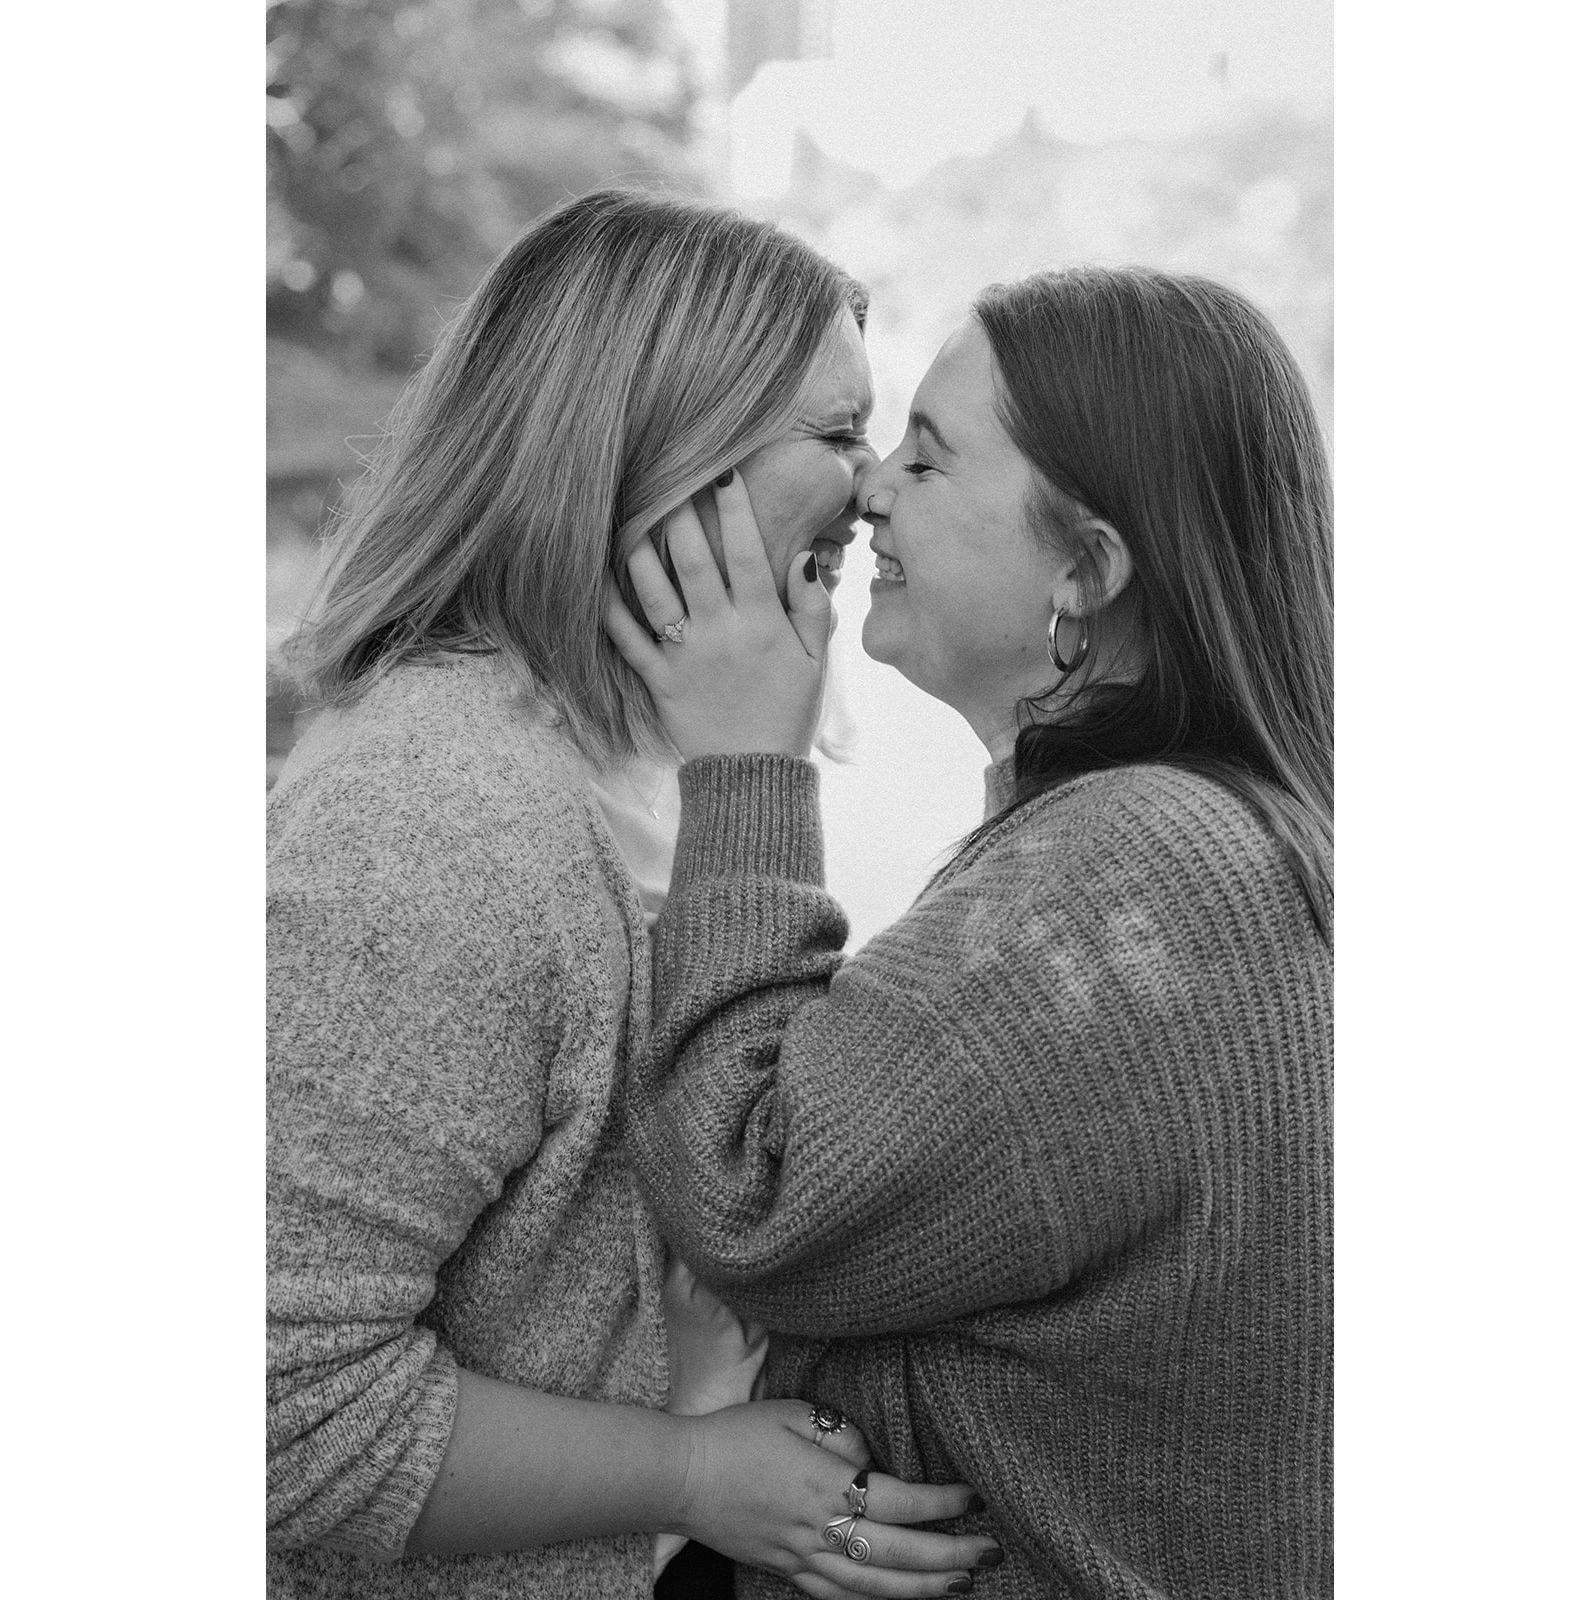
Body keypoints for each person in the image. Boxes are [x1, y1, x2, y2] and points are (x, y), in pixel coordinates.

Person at [268, 187, 1003, 1600]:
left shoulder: (639, 775)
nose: (872, 488)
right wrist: (695, 1475)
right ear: (660, 452)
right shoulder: (438, 816)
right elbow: (277, 1407)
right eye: (836, 434)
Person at [609, 266, 1334, 1598]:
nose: (870, 490)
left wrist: (745, 768)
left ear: (1086, 569)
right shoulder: (1200, 843)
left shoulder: (1136, 873)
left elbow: (750, 1193)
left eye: (928, 460)